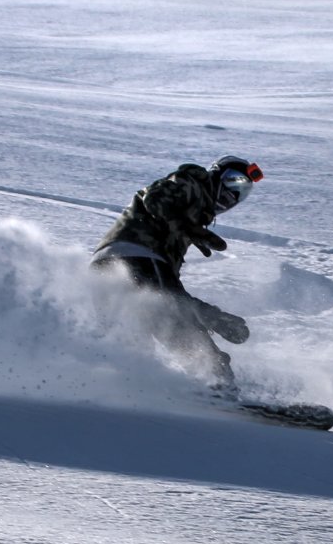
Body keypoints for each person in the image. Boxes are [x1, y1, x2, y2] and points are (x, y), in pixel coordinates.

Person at [91, 155, 264, 389]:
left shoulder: (193, 213)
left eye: (242, 192)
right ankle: (218, 384)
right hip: (134, 256)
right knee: (177, 320)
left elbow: (168, 288)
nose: (233, 196)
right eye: (233, 182)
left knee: (142, 330)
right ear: (216, 176)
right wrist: (213, 316)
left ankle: (122, 383)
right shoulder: (191, 182)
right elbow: (156, 199)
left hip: (111, 266)